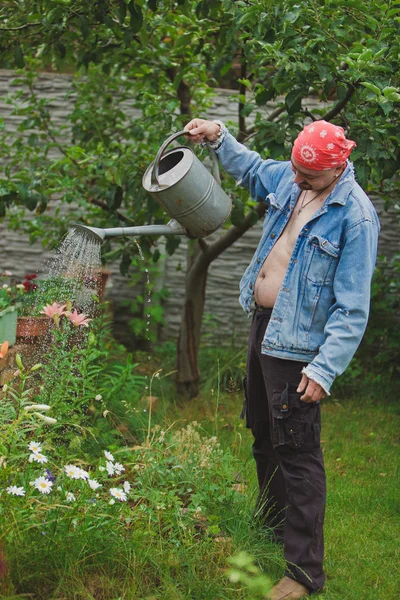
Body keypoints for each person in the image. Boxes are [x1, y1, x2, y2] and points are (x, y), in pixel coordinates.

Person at [184, 118, 380, 599]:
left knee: (298, 454)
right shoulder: (294, 179)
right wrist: (217, 138)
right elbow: (253, 169)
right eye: (294, 170)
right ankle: (271, 527)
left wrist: (324, 367)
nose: (296, 181)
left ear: (337, 168)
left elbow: (352, 308)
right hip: (263, 328)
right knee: (264, 435)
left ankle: (303, 574)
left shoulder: (355, 216)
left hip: (299, 349)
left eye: (307, 177)